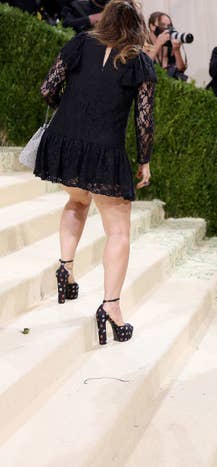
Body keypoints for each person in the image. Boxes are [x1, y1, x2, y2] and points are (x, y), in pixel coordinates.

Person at [33, 0, 156, 344]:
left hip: (65, 144)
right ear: (136, 27)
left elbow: (47, 89)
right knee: (118, 232)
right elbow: (143, 121)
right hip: (105, 152)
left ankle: (65, 268)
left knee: (76, 203)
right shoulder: (140, 61)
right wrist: (144, 160)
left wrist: (72, 118)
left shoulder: (80, 44)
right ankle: (111, 307)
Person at [145, 11, 187, 81]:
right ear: (152, 26)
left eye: (169, 25)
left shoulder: (170, 42)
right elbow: (144, 66)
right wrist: (158, 44)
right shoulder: (144, 43)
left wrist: (177, 50)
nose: (166, 28)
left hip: (169, 84)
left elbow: (181, 69)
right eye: (162, 25)